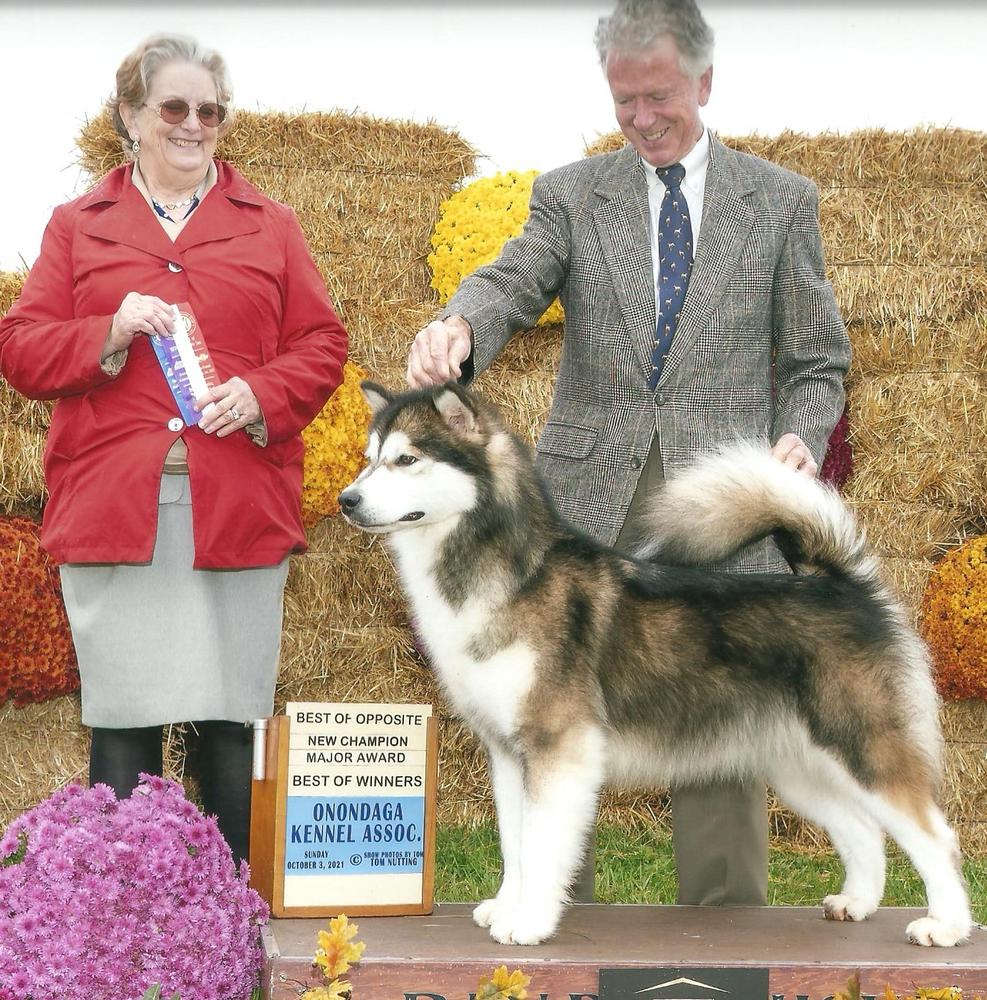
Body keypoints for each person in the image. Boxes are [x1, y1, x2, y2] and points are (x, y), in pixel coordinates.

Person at [407, 0, 850, 906]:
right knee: (550, 713)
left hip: (719, 505)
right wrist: (460, 323)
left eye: (659, 98)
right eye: (623, 103)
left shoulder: (780, 201)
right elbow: (514, 276)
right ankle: (554, 915)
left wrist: (801, 434)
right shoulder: (572, 194)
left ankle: (725, 929)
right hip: (585, 497)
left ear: (704, 81)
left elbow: (815, 359)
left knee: (718, 710)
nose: (641, 119)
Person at [0, 34, 347, 865]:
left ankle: (233, 918)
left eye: (211, 111)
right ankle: (125, 919)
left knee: (231, 721)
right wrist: (107, 330)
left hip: (236, 502)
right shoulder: (77, 225)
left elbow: (322, 343)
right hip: (120, 505)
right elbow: (21, 349)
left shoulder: (271, 223)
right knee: (125, 720)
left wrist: (259, 394)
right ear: (130, 116)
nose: (195, 126)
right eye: (175, 108)